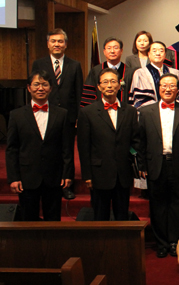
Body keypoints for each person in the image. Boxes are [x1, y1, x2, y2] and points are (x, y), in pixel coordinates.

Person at [138, 74, 179, 258]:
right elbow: (141, 142)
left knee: (177, 204)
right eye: (164, 85)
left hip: (177, 164)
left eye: (172, 85)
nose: (168, 89)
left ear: (178, 89)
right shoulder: (146, 112)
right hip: (155, 164)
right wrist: (142, 165)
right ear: (158, 88)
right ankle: (161, 243)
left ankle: (174, 241)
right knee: (157, 205)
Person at [6, 70, 74, 221]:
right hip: (27, 177)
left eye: (45, 84)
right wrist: (13, 177)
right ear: (29, 88)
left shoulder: (62, 114)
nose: (40, 88)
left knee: (53, 219)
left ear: (50, 88)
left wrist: (67, 173)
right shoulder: (16, 115)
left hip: (54, 176)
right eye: (36, 84)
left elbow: (67, 148)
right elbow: (11, 149)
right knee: (28, 221)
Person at [77, 68, 140, 221]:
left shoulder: (130, 111)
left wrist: (135, 162)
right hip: (99, 173)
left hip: (123, 173)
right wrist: (87, 175)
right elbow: (83, 147)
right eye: (105, 82)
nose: (109, 85)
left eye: (113, 81)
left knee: (122, 215)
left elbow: (136, 140)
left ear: (120, 85)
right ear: (99, 87)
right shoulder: (87, 112)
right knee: (100, 216)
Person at [31, 28, 82, 200]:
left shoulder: (75, 65)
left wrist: (76, 117)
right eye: (53, 41)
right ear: (48, 44)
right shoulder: (38, 64)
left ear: (66, 44)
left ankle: (67, 185)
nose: (57, 44)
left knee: (67, 151)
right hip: (45, 114)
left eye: (60, 41)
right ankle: (46, 182)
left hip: (67, 116)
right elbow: (35, 88)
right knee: (48, 150)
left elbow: (78, 92)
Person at [129, 41, 179, 110]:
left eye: (161, 51)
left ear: (165, 54)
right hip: (151, 114)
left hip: (173, 112)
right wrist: (158, 111)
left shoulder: (176, 73)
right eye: (154, 51)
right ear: (149, 54)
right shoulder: (140, 73)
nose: (158, 53)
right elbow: (141, 99)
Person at [81, 37, 134, 107]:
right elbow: (89, 97)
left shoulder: (130, 72)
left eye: (115, 48)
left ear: (121, 51)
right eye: (109, 48)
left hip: (124, 113)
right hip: (100, 113)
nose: (112, 51)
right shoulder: (96, 71)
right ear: (104, 51)